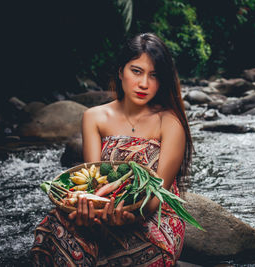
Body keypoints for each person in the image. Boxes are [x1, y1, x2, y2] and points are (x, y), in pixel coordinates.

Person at [31, 33, 193, 266]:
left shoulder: (170, 122)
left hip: (151, 218)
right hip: (105, 211)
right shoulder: (94, 117)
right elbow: (93, 180)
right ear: (120, 71)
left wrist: (129, 215)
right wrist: (89, 214)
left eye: (154, 75)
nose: (144, 84)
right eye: (136, 71)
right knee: (53, 226)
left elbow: (156, 196)